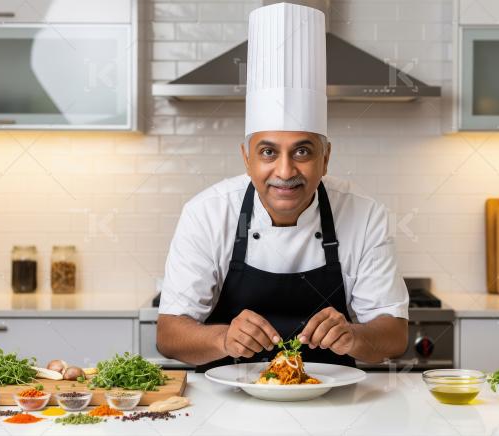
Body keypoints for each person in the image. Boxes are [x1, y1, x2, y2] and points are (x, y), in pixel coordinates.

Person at [156, 2, 408, 372]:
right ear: (247, 158)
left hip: (331, 398)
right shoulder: (207, 213)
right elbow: (168, 334)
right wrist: (223, 339)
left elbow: (395, 335)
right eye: (268, 152)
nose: (285, 170)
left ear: (326, 158)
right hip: (225, 401)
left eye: (302, 151)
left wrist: (355, 337)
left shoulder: (366, 215)